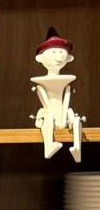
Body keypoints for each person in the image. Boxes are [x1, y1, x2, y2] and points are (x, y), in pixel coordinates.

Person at [31, 27, 84, 162]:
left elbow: (67, 96)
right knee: (48, 116)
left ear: (69, 58)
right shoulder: (40, 83)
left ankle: (77, 148)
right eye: (54, 52)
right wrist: (50, 110)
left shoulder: (67, 81)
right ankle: (49, 145)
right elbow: (42, 95)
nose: (59, 57)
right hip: (49, 115)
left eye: (61, 52)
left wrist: (65, 112)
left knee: (76, 119)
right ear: (40, 58)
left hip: (63, 116)